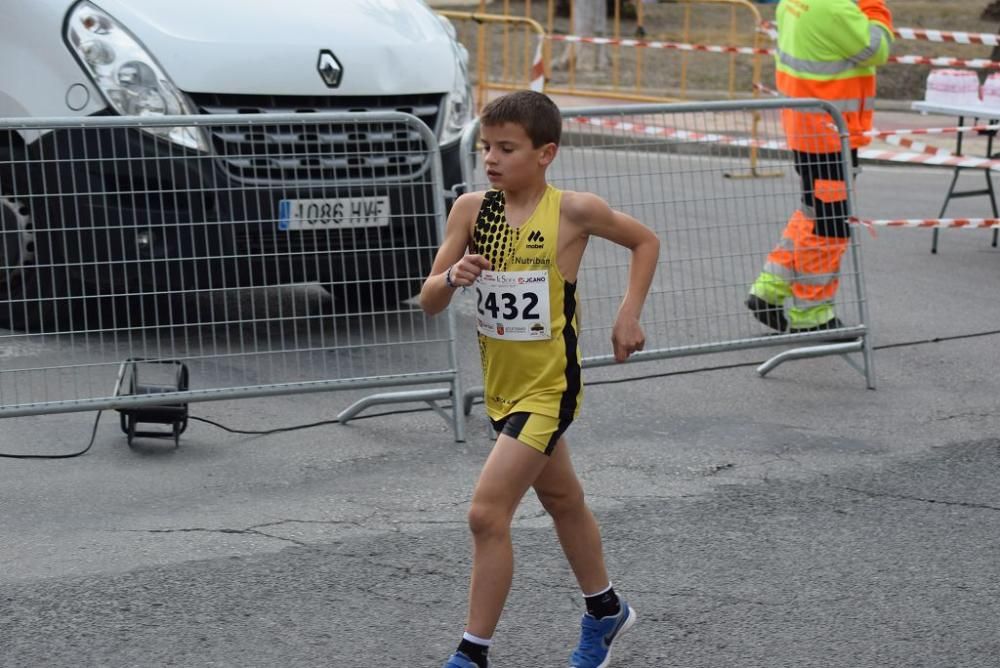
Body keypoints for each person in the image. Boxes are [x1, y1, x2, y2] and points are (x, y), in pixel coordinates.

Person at [420, 90, 660, 668]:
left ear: (545, 152)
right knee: (561, 499)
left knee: (485, 513)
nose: (491, 159)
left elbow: (644, 241)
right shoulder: (472, 212)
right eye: (486, 148)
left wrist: (628, 314)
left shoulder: (574, 211)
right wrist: (453, 275)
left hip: (551, 387)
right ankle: (605, 611)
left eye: (507, 148)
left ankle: (470, 654)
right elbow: (428, 301)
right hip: (502, 386)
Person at [746, 0, 893, 333]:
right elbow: (878, 48)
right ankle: (812, 314)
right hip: (830, 133)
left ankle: (770, 288)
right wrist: (875, 8)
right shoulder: (836, 9)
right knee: (831, 227)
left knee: (813, 214)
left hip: (807, 128)